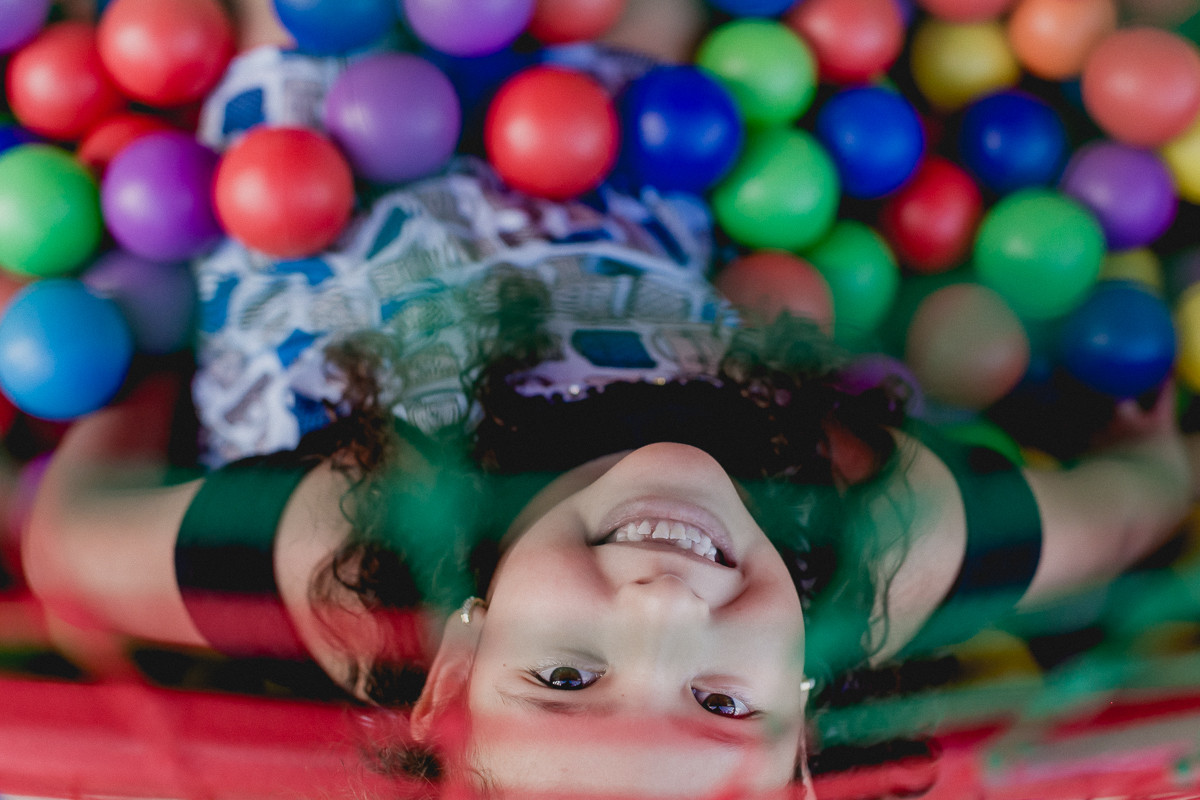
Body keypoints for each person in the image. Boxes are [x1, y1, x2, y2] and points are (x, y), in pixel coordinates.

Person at [22, 161, 1193, 798]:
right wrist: (1155, 452)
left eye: (569, 673)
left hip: (319, 215)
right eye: (723, 704)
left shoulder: (360, 559)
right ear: (798, 749)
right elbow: (1114, 521)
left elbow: (71, 550)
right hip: (615, 178)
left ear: (459, 669)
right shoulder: (878, 543)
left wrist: (137, 373)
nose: (668, 608)